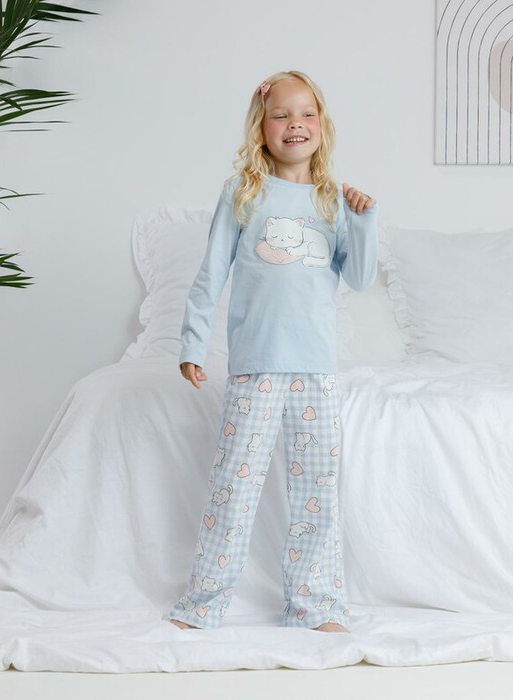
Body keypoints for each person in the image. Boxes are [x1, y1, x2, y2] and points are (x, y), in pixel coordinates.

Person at [166, 70, 378, 633]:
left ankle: (315, 605)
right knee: (233, 486)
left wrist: (364, 221)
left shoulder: (334, 200)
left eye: (306, 114)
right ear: (262, 127)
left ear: (322, 125)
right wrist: (192, 342)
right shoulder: (243, 192)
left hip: (316, 369)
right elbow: (211, 272)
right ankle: (204, 601)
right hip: (256, 365)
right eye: (281, 114)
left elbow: (359, 278)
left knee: (316, 494)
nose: (294, 124)